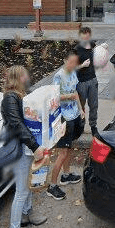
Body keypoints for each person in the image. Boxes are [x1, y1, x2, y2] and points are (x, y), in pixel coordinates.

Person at [0, 65, 48, 228]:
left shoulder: (18, 96)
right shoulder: (11, 98)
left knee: (28, 184)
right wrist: (35, 147)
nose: (28, 77)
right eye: (25, 74)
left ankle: (28, 214)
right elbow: (17, 125)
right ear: (19, 77)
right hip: (21, 149)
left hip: (26, 147)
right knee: (21, 191)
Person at [48, 52, 85, 199]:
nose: (72, 65)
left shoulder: (73, 73)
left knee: (69, 148)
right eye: (70, 62)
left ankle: (66, 175)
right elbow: (54, 97)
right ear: (65, 60)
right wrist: (69, 96)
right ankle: (52, 186)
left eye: (75, 62)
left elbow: (75, 91)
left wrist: (80, 109)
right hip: (63, 117)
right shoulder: (59, 76)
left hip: (74, 115)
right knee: (62, 152)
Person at [74, 26, 107, 137]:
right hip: (81, 82)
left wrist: (103, 48)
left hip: (93, 80)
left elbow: (98, 52)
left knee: (94, 105)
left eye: (87, 37)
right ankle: (80, 127)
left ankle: (93, 127)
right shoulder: (76, 49)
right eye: (84, 38)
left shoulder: (92, 44)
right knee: (81, 107)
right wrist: (82, 65)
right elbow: (71, 68)